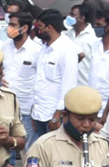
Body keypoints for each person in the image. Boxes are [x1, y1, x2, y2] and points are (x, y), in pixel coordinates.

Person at [32, 10, 80, 139]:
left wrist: (57, 116)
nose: (37, 31)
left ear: (49, 27)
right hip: (39, 112)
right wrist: (34, 112)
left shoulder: (66, 50)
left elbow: (68, 86)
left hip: (53, 115)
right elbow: (39, 81)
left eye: (39, 27)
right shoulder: (44, 48)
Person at [2, 12, 41, 150]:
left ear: (24, 28)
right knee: (7, 147)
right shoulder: (5, 46)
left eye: (13, 25)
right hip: (5, 107)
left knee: (29, 149)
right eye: (9, 24)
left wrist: (35, 107)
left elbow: (40, 81)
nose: (9, 28)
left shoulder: (37, 50)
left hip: (26, 108)